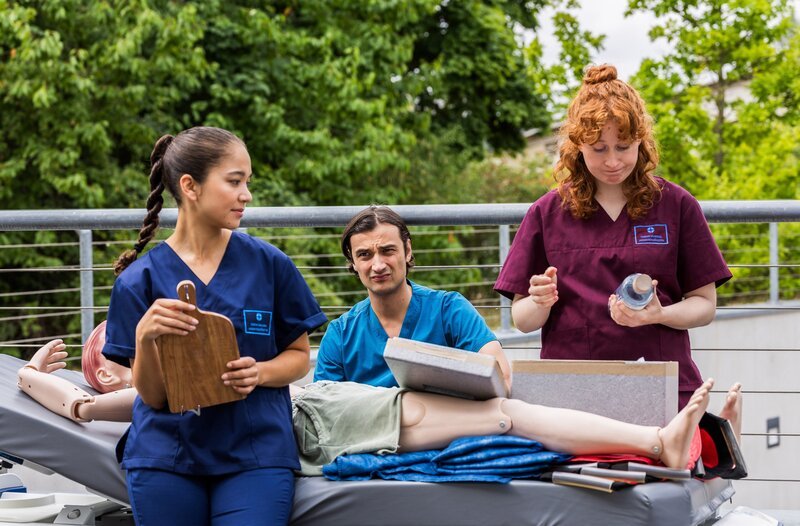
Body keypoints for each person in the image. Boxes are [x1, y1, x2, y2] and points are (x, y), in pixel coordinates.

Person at [19, 334, 744, 479]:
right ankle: (660, 442)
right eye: (113, 353)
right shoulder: (137, 401)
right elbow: (75, 409)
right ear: (104, 371)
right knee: (503, 415)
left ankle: (666, 440)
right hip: (325, 422)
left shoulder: (174, 372)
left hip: (329, 403)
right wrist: (31, 377)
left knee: (504, 404)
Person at [102, 127, 327, 525]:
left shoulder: (271, 265)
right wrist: (145, 336)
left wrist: (260, 372)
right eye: (235, 181)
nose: (247, 194)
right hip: (166, 455)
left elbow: (298, 358)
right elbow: (152, 397)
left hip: (255, 453)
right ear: (190, 186)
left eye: (248, 182)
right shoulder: (138, 281)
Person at [494, 64, 732, 408]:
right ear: (578, 147)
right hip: (572, 391)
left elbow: (705, 305)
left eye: (623, 146)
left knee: (665, 459)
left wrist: (658, 314)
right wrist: (540, 301)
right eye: (599, 149)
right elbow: (523, 320)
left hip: (661, 384)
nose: (612, 161)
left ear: (641, 141)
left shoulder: (677, 205)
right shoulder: (546, 213)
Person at [314, 205, 512, 389]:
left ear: (407, 250)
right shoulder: (340, 336)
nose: (378, 265)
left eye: (387, 250)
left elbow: (500, 377)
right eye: (365, 254)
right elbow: (322, 407)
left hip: (448, 424)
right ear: (353, 262)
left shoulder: (450, 310)